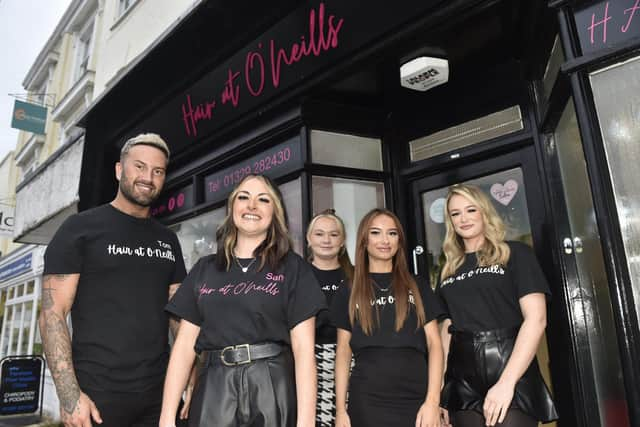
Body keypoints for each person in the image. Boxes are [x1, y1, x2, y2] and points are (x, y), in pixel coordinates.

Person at [40, 133, 187, 427]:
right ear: (119, 170)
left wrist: (190, 380)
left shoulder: (168, 240)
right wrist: (70, 396)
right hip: (96, 398)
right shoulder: (80, 228)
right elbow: (52, 313)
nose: (148, 177)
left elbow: (180, 318)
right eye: (140, 167)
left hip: (159, 397)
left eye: (158, 171)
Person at [160, 174, 326, 427]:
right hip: (213, 387)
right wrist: (166, 416)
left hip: (272, 385)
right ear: (232, 207)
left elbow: (304, 352)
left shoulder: (294, 269)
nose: (251, 206)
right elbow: (184, 347)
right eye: (243, 197)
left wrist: (306, 422)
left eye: (263, 200)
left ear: (275, 212)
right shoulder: (204, 269)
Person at [437, 184, 558, 427]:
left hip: (509, 365)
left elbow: (536, 320)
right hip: (462, 378)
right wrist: (441, 389)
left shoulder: (515, 253)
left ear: (484, 211)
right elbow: (447, 330)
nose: (464, 218)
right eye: (455, 213)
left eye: (471, 210)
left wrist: (506, 383)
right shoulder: (448, 269)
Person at [331, 208, 444, 427]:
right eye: (376, 233)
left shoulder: (418, 285)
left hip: (417, 398)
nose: (385, 240)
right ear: (364, 240)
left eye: (392, 233)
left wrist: (433, 402)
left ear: (399, 241)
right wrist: (341, 410)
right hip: (367, 399)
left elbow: (435, 345)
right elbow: (343, 352)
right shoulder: (349, 290)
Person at [306, 209, 354, 426]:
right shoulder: (297, 277)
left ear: (342, 240)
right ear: (309, 238)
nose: (326, 240)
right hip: (309, 366)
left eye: (334, 234)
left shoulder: (357, 277)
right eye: (319, 234)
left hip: (353, 365)